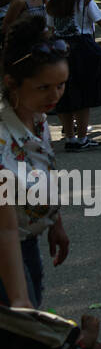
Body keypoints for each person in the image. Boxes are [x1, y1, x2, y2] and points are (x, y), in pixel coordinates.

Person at [0, 17, 72, 308]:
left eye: (61, 85)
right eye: (44, 87)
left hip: (26, 243)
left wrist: (55, 223)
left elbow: (44, 172)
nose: (54, 96)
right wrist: (19, 298)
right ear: (12, 83)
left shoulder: (38, 118)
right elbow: (3, 228)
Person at [46, 0, 101, 152]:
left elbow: (49, 30)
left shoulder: (53, 3)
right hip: (82, 52)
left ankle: (70, 137)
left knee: (65, 96)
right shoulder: (85, 2)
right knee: (84, 96)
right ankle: (82, 137)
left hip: (60, 52)